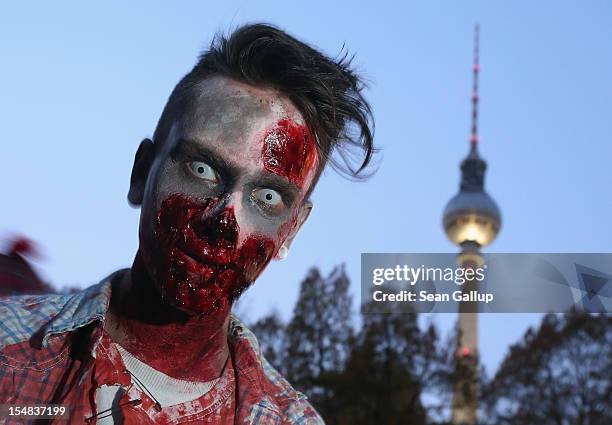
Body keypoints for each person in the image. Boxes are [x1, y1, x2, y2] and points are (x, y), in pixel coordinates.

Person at [0, 23, 374, 424]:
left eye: (267, 196)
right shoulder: (8, 348)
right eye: (202, 169)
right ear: (142, 173)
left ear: (291, 230)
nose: (224, 221)